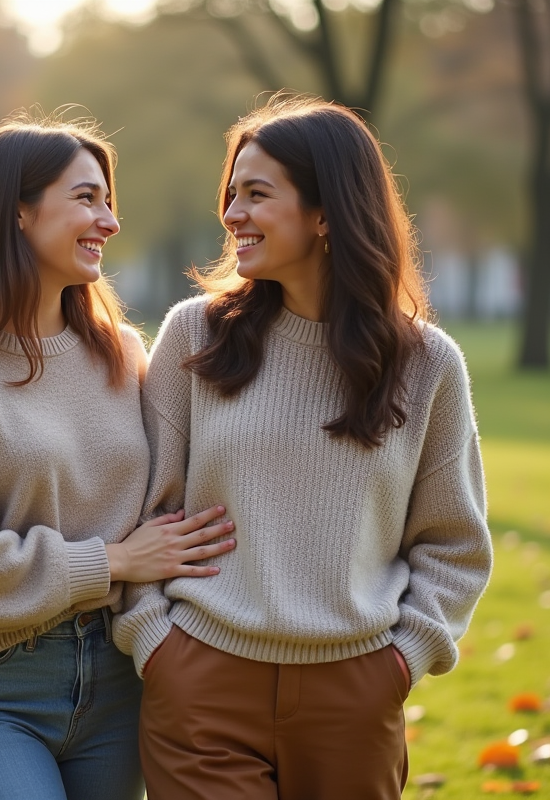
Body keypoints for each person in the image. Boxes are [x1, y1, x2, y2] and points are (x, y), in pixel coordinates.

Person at [114, 95, 494, 799]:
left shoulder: (427, 364)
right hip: (200, 685)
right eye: (230, 194)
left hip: (355, 696)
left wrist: (402, 662)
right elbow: (142, 506)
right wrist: (154, 643)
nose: (232, 215)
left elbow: (454, 544)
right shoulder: (194, 336)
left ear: (327, 214)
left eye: (256, 194)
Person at [0, 113, 236, 800]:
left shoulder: (124, 354)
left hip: (118, 683)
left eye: (109, 201)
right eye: (86, 198)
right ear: (17, 211)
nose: (109, 220)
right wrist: (113, 561)